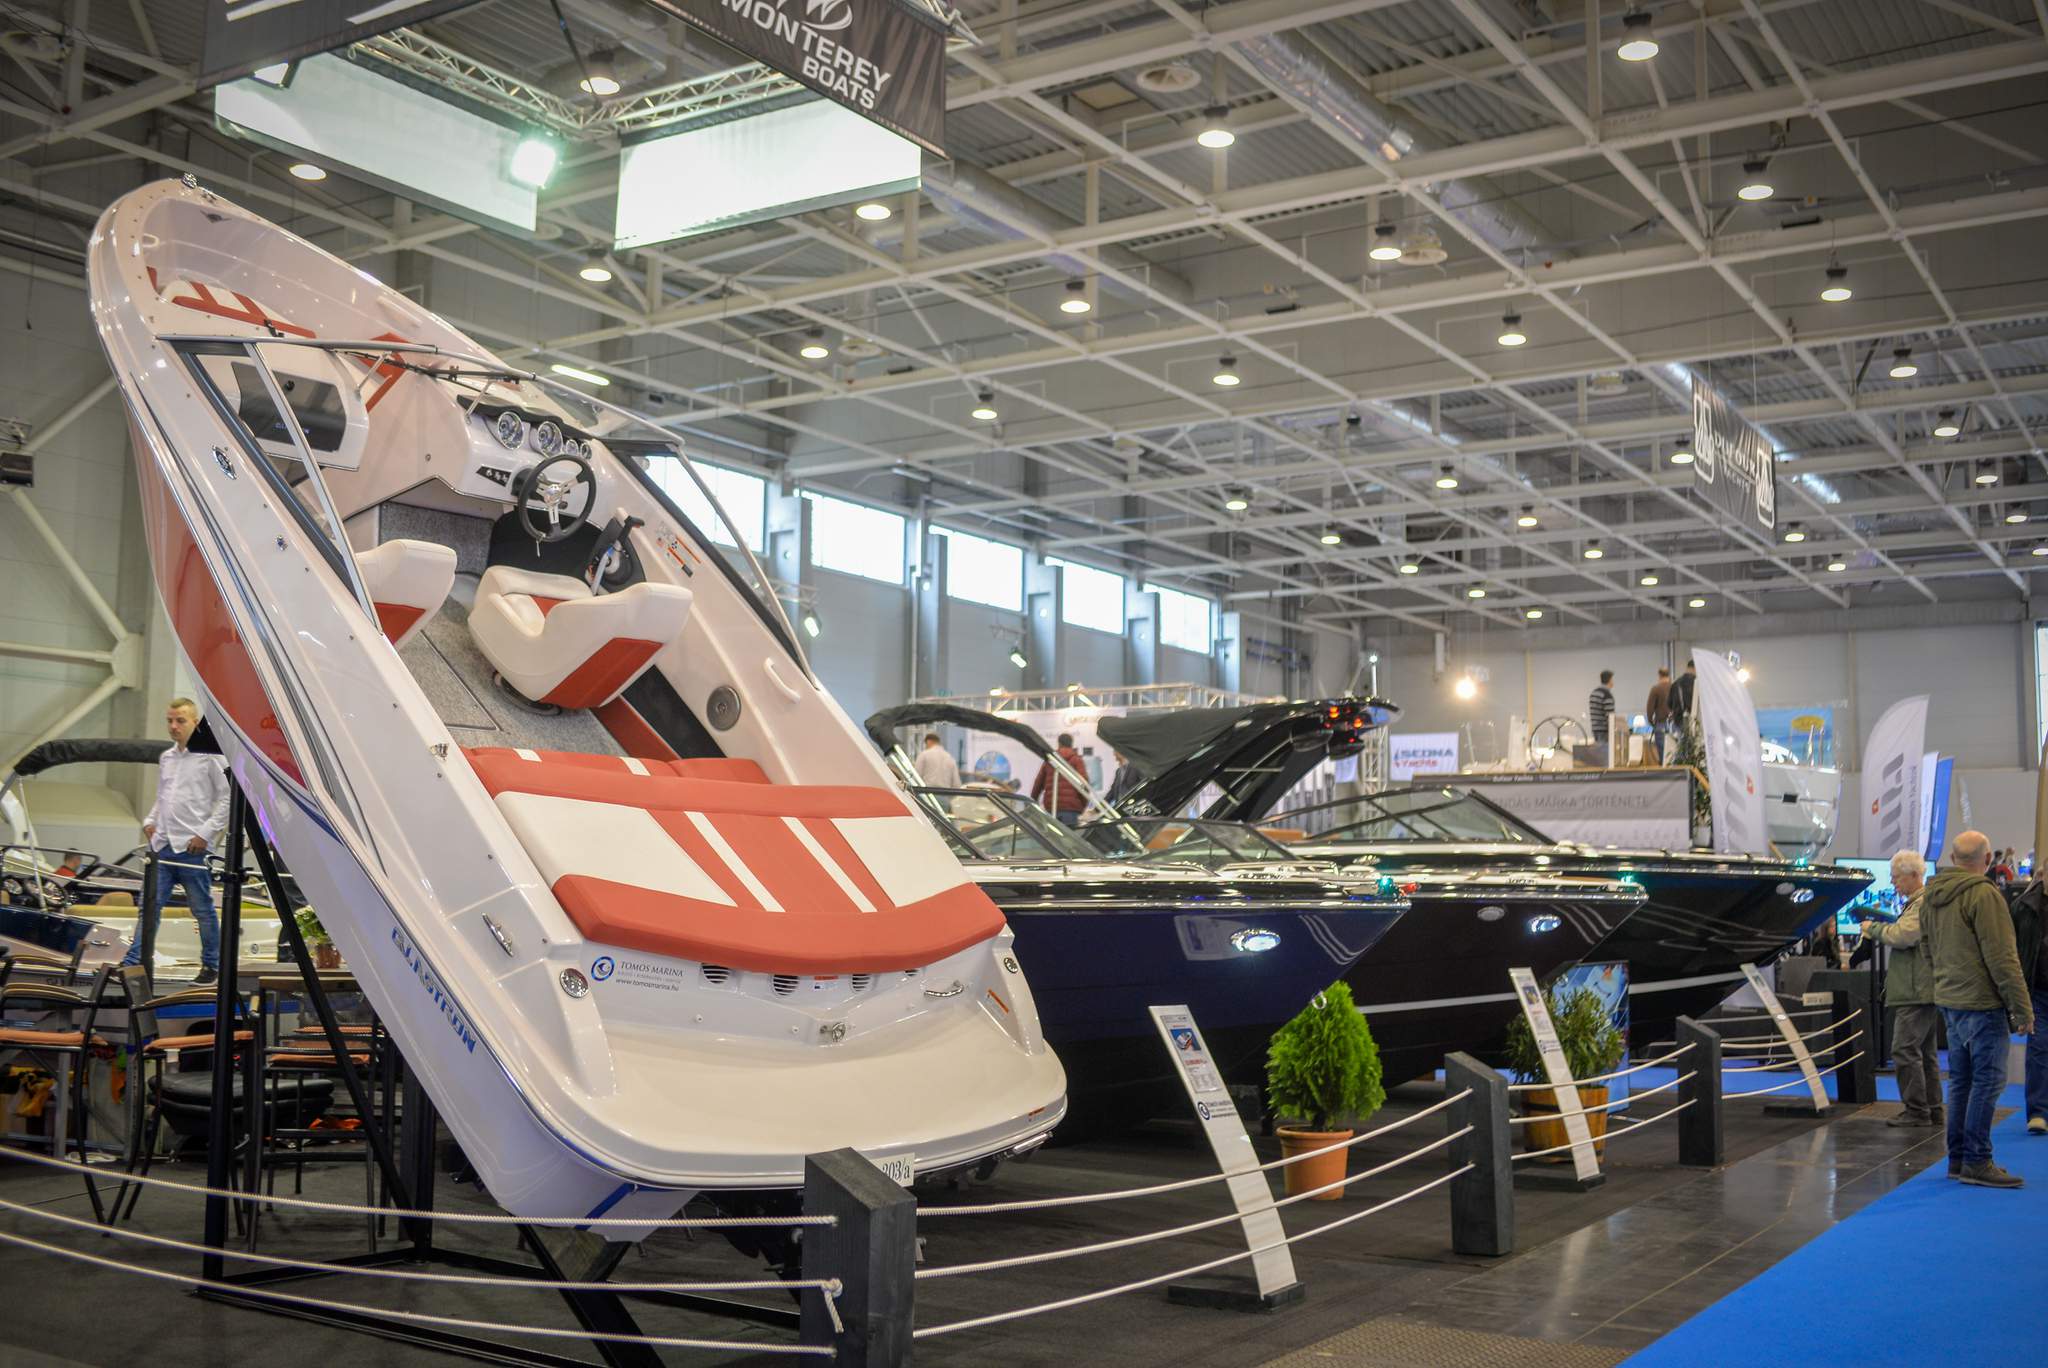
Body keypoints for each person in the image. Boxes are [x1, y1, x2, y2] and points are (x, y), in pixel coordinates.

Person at [1922, 830, 2036, 1187]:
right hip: (1982, 1004)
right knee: (1987, 1082)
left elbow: (1926, 949)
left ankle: (1958, 1159)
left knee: (1961, 1083)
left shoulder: (1931, 895)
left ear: (1953, 858)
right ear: (1988, 860)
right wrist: (2022, 1009)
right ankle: (1977, 1160)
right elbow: (2003, 958)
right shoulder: (1984, 895)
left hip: (1950, 1000)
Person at [127, 697, 230, 986]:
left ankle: (211, 966)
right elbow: (163, 796)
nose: (174, 726)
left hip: (192, 848)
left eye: (180, 720)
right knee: (149, 908)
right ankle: (134, 962)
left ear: (194, 722)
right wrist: (149, 821)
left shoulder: (211, 758)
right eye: (170, 720)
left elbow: (228, 797)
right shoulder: (167, 758)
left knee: (203, 910)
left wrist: (205, 834)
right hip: (162, 846)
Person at [1862, 851, 1941, 1128]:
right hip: (1922, 988)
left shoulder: (1920, 904)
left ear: (1914, 875)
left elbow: (1904, 935)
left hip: (1915, 989)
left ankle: (1917, 1110)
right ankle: (1932, 1109)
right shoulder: (1922, 902)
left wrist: (1873, 929)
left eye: (1897, 877)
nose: (1893, 882)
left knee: (1904, 1051)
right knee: (1925, 1054)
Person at [2007, 877, 2048, 1135]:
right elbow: (2012, 951)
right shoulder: (2023, 906)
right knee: (2038, 1049)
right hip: (2038, 991)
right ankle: (2038, 1113)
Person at [1029, 732, 1090, 828]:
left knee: (1053, 836)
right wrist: (1083, 805)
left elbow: (1038, 784)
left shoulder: (1050, 760)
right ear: (1071, 744)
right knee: (1069, 836)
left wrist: (1033, 801)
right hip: (1071, 808)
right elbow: (1084, 785)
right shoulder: (1077, 760)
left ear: (1059, 743)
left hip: (1052, 808)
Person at [1645, 667, 1674, 761]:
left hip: (1661, 724)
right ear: (1669, 675)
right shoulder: (1674, 687)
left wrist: (1651, 722)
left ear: (1659, 675)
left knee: (1663, 756)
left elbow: (1649, 708)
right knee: (1673, 753)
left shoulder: (1656, 689)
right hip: (1674, 724)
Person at [1587, 670, 1616, 751]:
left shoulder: (1594, 693)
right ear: (1609, 680)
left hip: (1595, 729)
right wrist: (1613, 731)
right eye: (1612, 680)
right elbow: (1610, 716)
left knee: (1598, 753)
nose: (1613, 682)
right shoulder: (1607, 695)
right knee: (1604, 754)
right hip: (1604, 731)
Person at [1669, 659, 1698, 728]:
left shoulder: (1676, 683)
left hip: (1678, 721)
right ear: (1695, 668)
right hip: (1695, 722)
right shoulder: (1697, 683)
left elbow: (1669, 703)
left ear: (1687, 667)